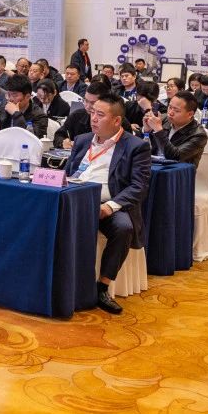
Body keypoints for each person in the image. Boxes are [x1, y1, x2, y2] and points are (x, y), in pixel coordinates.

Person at [64, 92, 151, 315]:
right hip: (74, 198)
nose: (93, 118)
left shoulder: (135, 146)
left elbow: (139, 186)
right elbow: (68, 172)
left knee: (124, 228)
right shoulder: (82, 140)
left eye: (100, 115)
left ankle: (102, 287)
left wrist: (110, 206)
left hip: (106, 203)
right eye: (92, 112)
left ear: (116, 120)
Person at [143, 91, 207, 166]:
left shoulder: (199, 135)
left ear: (190, 114)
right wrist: (146, 132)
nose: (170, 113)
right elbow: (141, 149)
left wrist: (159, 131)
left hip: (176, 171)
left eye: (176, 110)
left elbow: (175, 157)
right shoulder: (163, 119)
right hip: (153, 166)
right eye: (170, 107)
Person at [56, 81, 111, 148]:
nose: (88, 106)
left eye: (93, 103)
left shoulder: (113, 120)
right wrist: (63, 142)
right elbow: (59, 136)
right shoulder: (77, 116)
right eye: (86, 101)